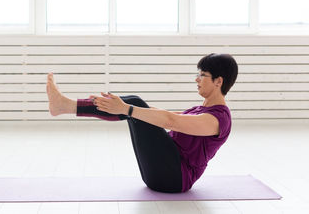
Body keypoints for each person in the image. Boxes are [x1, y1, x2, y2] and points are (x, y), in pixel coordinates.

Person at [46, 53, 238, 193]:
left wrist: (128, 108)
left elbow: (172, 121)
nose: (197, 79)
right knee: (134, 104)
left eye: (203, 75)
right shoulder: (200, 110)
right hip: (162, 174)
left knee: (133, 105)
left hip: (174, 179)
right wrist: (117, 105)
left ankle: (65, 106)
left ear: (218, 82)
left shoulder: (218, 119)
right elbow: (159, 115)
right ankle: (67, 106)